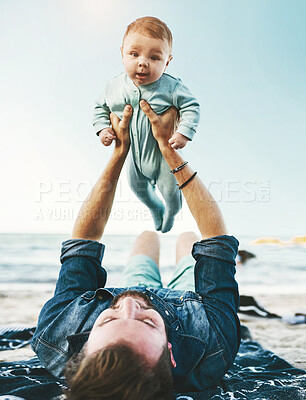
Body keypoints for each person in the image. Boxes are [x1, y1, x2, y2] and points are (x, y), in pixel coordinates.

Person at [32, 102, 240, 399]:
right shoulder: (213, 347)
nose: (129, 304)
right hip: (187, 312)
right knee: (189, 239)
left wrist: (120, 153)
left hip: (162, 315)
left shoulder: (57, 331)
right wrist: (169, 151)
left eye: (109, 319)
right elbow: (216, 240)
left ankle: (157, 229)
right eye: (146, 321)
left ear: (83, 346)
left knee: (146, 236)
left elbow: (84, 242)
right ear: (170, 354)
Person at [93, 16, 200, 233]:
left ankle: (170, 212)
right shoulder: (114, 87)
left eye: (154, 57)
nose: (143, 62)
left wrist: (183, 133)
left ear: (167, 62)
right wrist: (103, 128)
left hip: (162, 160)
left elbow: (192, 106)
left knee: (173, 195)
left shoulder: (171, 87)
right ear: (122, 54)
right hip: (134, 157)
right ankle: (155, 208)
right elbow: (99, 108)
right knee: (137, 188)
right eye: (134, 54)